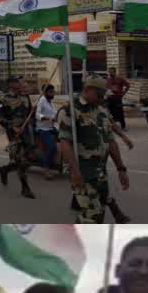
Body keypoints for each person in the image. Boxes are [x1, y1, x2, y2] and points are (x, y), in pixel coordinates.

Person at [59, 76, 130, 224]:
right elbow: (65, 143)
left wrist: (121, 168)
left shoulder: (101, 110)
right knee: (93, 216)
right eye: (99, 95)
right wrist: (75, 172)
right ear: (88, 90)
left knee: (98, 211)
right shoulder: (70, 110)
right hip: (82, 171)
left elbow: (110, 140)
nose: (102, 98)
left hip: (100, 171)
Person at [0, 75, 37, 199]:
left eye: (23, 83)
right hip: (14, 134)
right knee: (20, 160)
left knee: (30, 159)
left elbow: (30, 114)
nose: (23, 85)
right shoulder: (5, 99)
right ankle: (25, 188)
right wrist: (12, 127)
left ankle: (5, 169)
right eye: (20, 83)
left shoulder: (25, 97)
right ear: (12, 84)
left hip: (26, 132)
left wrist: (33, 115)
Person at [33, 84, 60, 179]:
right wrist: (46, 118)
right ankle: (46, 169)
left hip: (52, 128)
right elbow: (37, 114)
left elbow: (56, 115)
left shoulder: (51, 103)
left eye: (53, 92)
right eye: (50, 92)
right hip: (43, 129)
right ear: (45, 92)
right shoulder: (41, 101)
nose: (53, 94)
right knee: (52, 146)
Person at [105, 66, 130, 130]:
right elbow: (106, 88)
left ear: (115, 72)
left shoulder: (120, 78)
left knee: (120, 112)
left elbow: (128, 85)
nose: (110, 73)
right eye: (109, 72)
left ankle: (123, 126)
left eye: (111, 72)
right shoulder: (108, 79)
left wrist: (123, 94)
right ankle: (111, 126)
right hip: (109, 98)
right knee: (109, 112)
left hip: (117, 98)